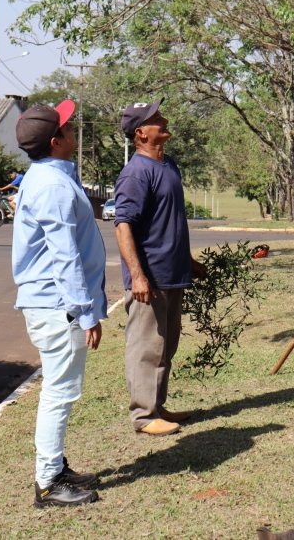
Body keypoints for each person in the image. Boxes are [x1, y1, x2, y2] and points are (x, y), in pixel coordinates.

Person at [12, 100, 107, 508]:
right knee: (60, 392)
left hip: (53, 303)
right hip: (58, 305)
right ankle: (49, 483)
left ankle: (54, 469)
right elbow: (64, 255)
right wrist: (85, 312)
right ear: (56, 141)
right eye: (68, 128)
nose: (74, 131)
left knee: (60, 389)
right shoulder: (51, 185)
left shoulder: (48, 177)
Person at [114, 99, 205, 437]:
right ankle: (143, 416)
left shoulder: (169, 165)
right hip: (149, 279)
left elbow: (170, 222)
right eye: (155, 119)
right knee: (146, 346)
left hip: (173, 273)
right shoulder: (136, 172)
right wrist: (137, 275)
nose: (164, 120)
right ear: (140, 133)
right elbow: (123, 225)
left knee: (166, 346)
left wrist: (189, 261)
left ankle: (157, 406)